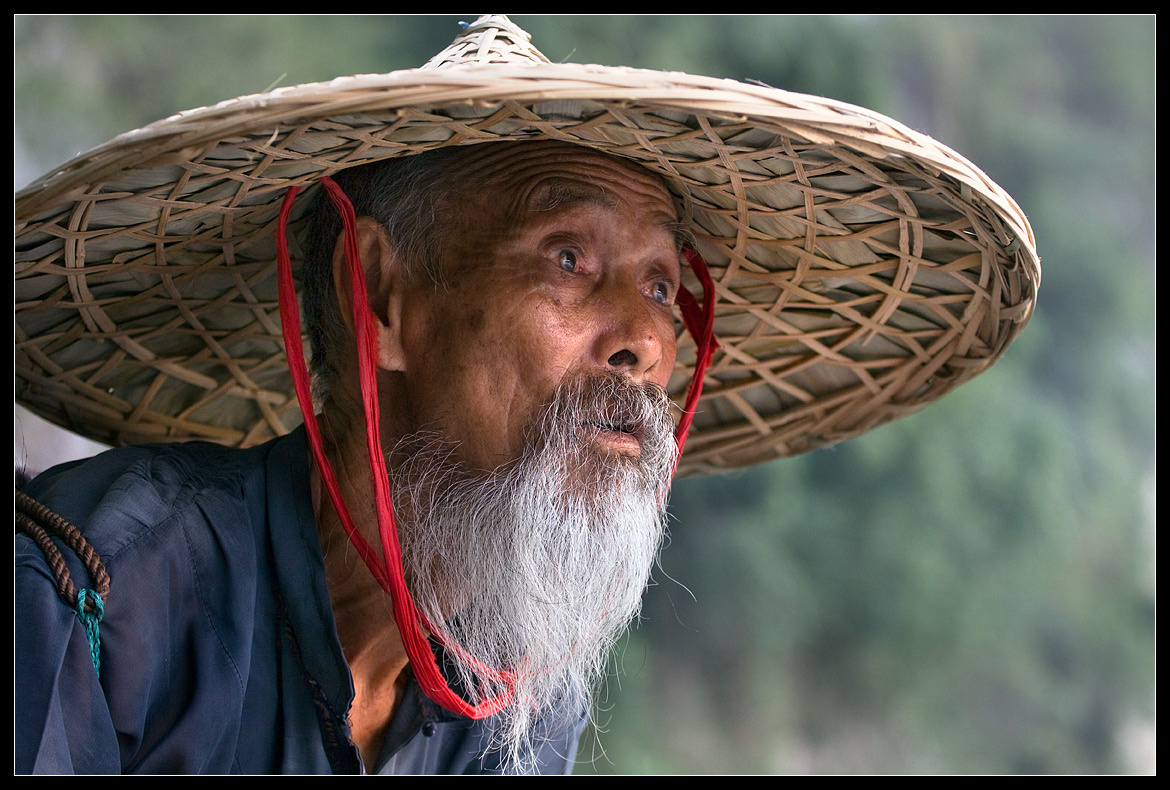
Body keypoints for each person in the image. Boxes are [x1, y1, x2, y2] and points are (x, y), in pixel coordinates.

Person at [14, 16, 1040, 775]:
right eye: (567, 256)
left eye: (656, 283)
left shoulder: (515, 709)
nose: (645, 337)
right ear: (381, 296)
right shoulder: (96, 601)